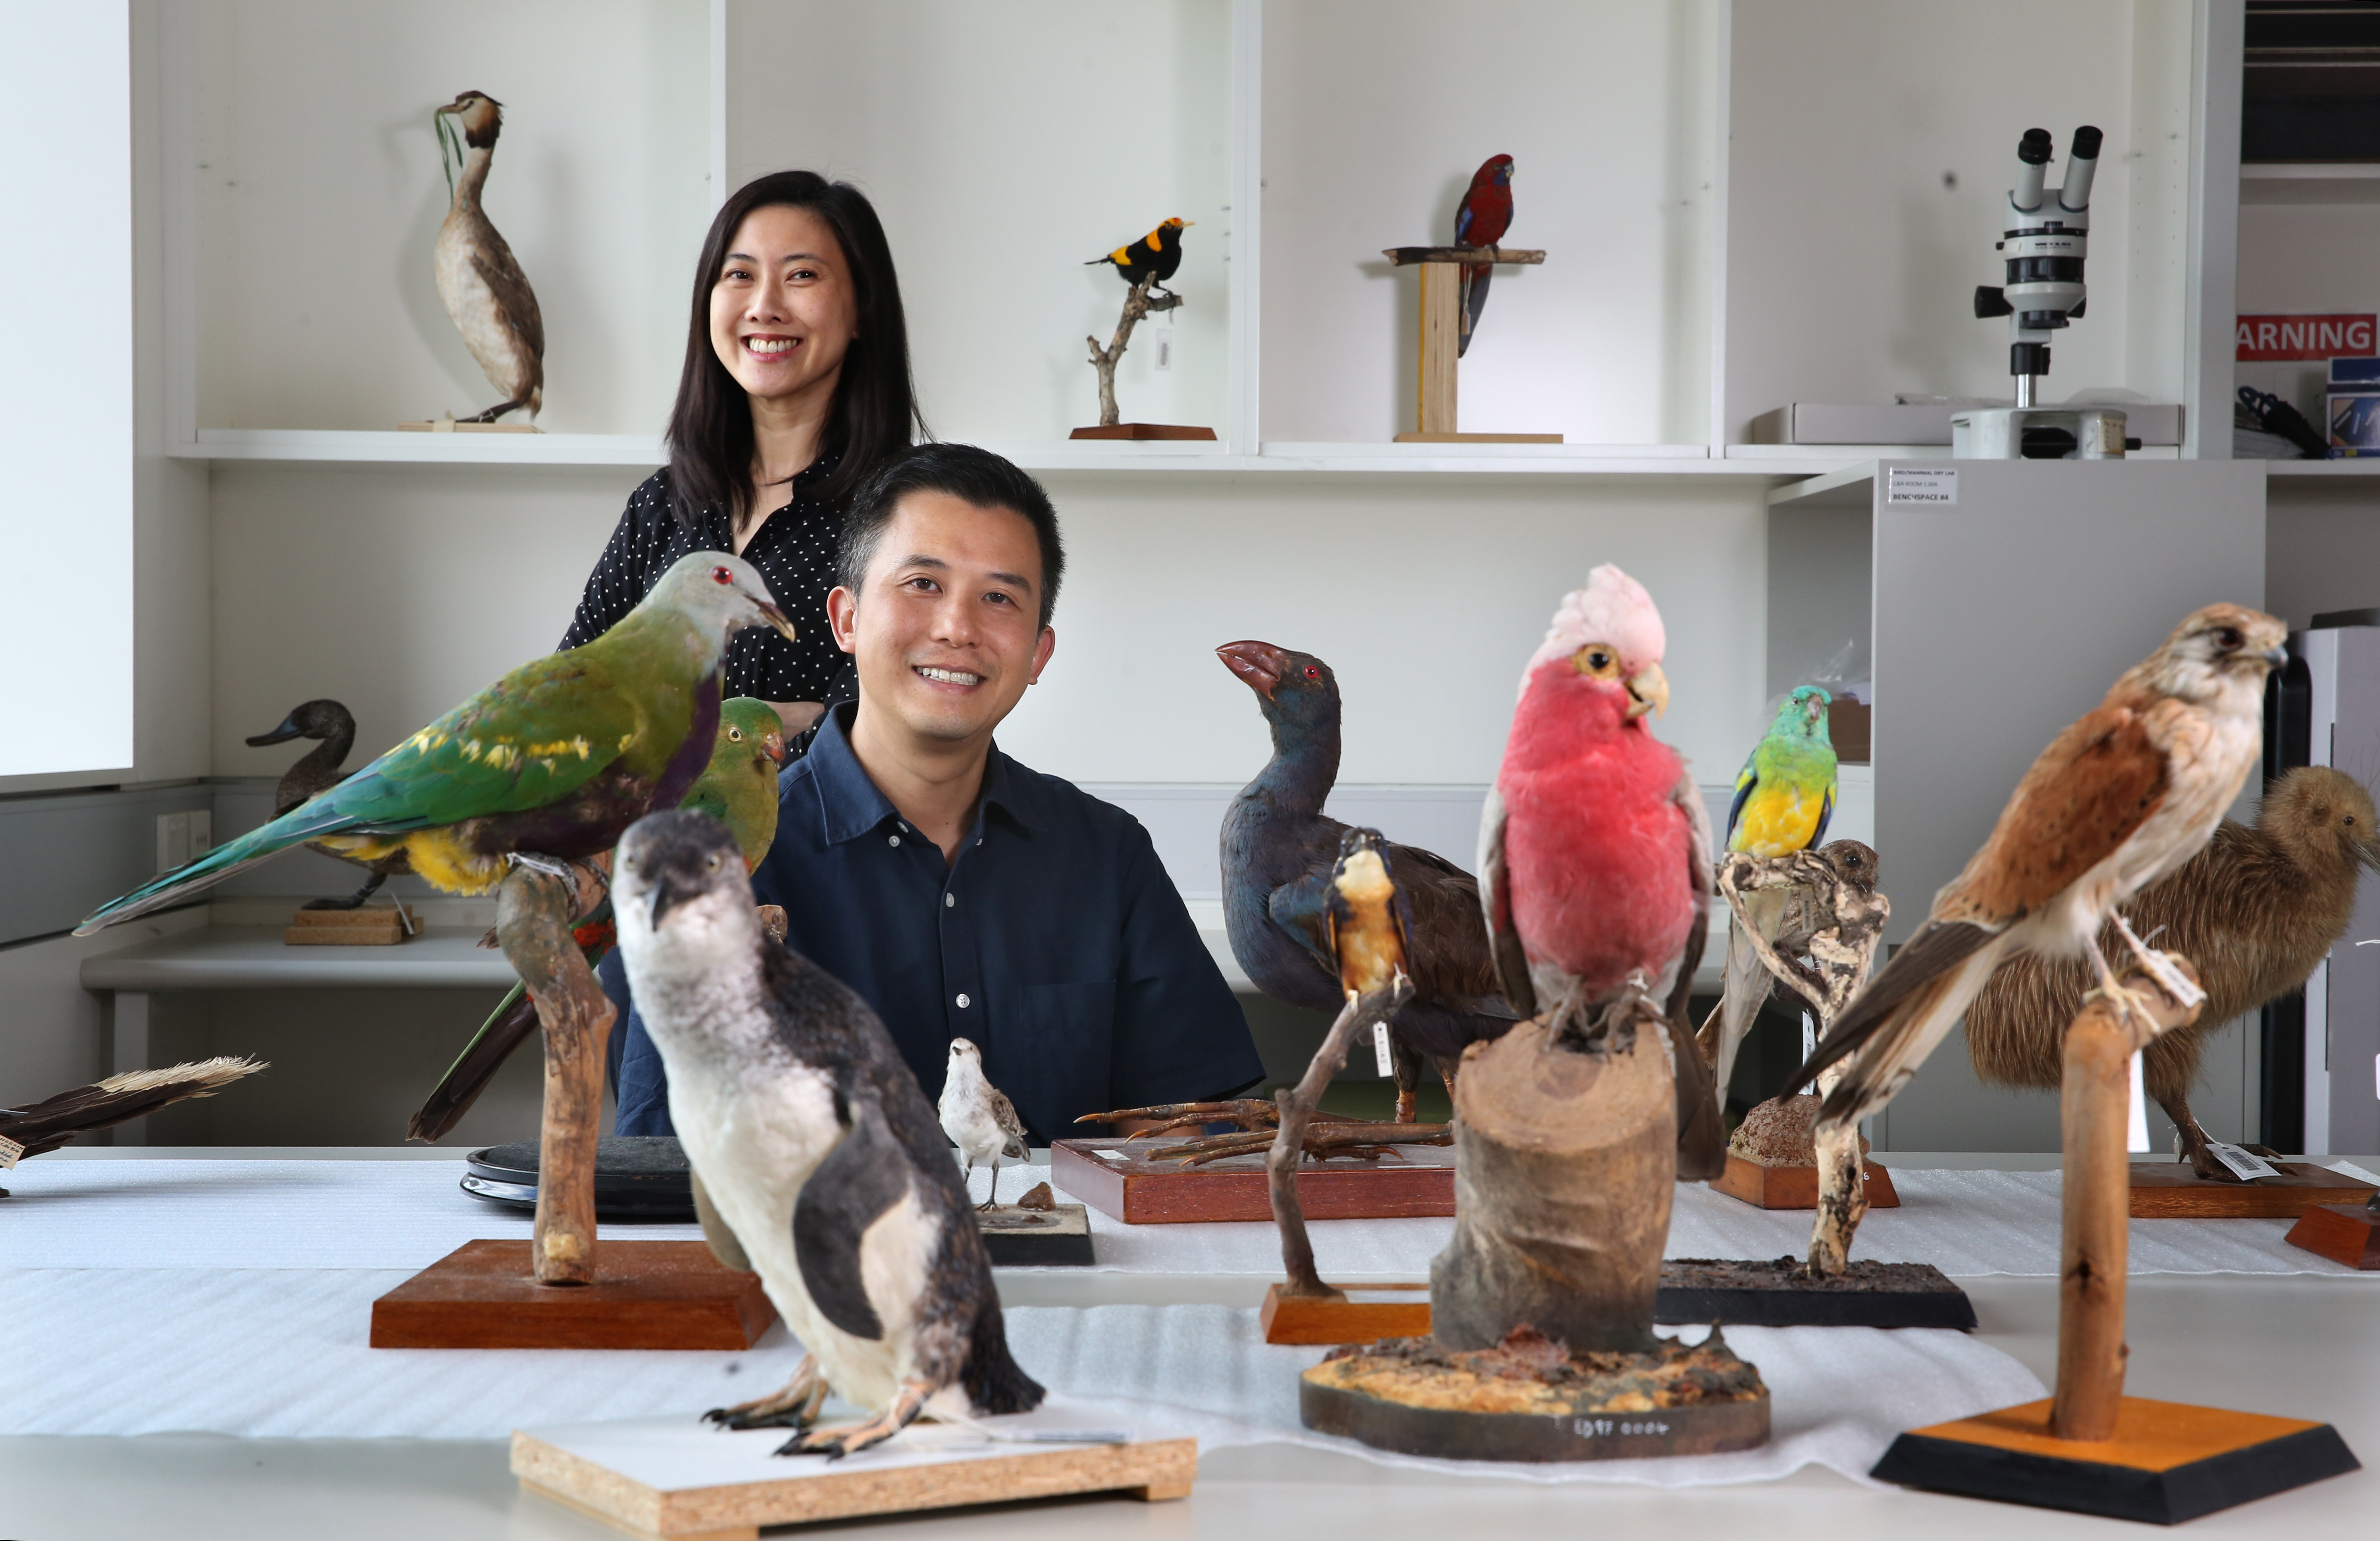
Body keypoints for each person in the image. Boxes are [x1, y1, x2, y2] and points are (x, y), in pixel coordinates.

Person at [608, 444, 1264, 1142]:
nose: (957, 627)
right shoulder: (715, 861)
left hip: (1073, 1250)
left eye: (999, 598)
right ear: (847, 619)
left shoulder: (1107, 855)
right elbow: (668, 1157)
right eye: (923, 583)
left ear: (1039, 654)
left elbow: (1187, 1133)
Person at [559, 171, 923, 737]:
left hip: (809, 830)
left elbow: (886, 739)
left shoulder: (906, 517)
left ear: (861, 311)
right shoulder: (662, 505)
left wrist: (665, 731)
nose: (764, 306)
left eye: (802, 275)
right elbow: (566, 701)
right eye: (740, 275)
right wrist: (776, 722)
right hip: (639, 829)